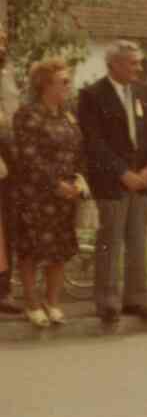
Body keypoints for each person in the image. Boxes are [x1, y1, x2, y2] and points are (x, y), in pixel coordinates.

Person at [77, 39, 147, 323]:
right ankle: (108, 301)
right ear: (113, 64)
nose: (138, 67)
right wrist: (122, 172)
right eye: (132, 62)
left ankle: (137, 297)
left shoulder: (143, 92)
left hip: (143, 179)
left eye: (139, 62)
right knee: (110, 241)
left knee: (138, 240)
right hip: (113, 181)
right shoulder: (92, 95)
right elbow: (94, 141)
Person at [12, 59, 87, 327]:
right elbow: (28, 156)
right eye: (63, 81)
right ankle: (31, 303)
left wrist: (78, 180)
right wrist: (55, 184)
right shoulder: (27, 114)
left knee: (59, 249)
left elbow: (78, 149)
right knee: (32, 249)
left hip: (66, 193)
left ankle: (53, 302)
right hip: (36, 193)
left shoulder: (67, 113)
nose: (69, 86)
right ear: (45, 84)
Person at [0, 24, 22, 314]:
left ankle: (2, 291)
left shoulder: (6, 75)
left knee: (4, 225)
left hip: (6, 152)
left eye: (4, 41)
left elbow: (12, 113)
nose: (2, 47)